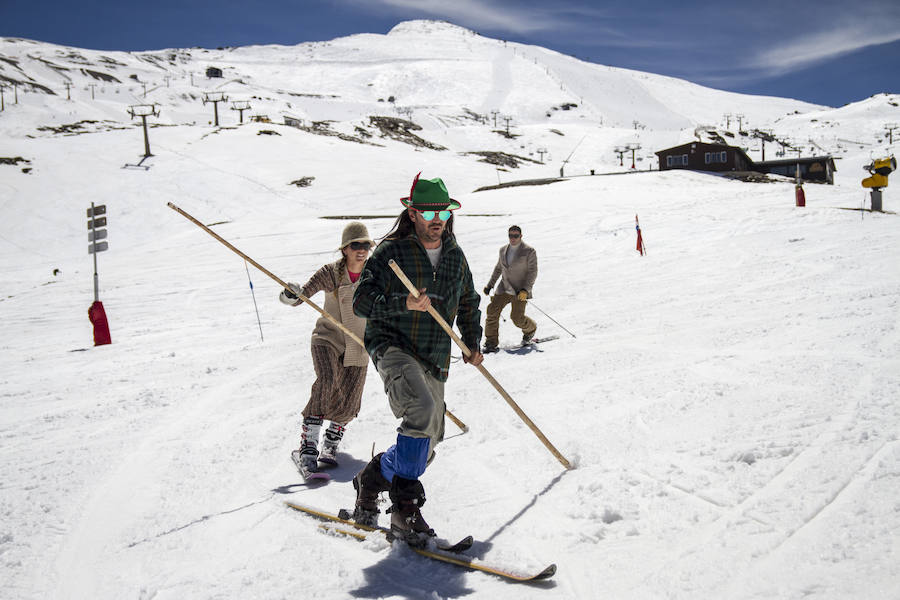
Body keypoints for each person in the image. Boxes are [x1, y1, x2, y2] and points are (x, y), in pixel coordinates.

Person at [351, 173, 483, 545]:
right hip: (392, 345)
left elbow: (470, 302)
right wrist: (402, 303)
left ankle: (373, 477)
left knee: (426, 444)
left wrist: (471, 342)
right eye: (427, 211)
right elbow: (362, 301)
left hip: (434, 355)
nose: (436, 218)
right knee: (421, 411)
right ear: (412, 213)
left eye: (442, 211)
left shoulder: (456, 257)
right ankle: (404, 510)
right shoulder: (391, 251)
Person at [279, 222, 374, 480]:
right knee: (328, 382)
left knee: (351, 397)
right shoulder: (331, 273)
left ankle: (331, 443)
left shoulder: (373, 275)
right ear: (345, 249)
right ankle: (308, 447)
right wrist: (292, 294)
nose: (362, 250)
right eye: (356, 245)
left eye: (366, 245)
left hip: (359, 343)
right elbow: (302, 296)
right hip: (328, 338)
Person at [481, 225, 538, 353]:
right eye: (510, 236)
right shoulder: (503, 250)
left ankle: (531, 329)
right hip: (504, 288)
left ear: (521, 236)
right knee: (492, 312)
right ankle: (491, 342)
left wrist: (526, 290)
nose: (513, 238)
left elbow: (532, 272)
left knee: (517, 318)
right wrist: (490, 285)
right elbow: (498, 269)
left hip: (520, 291)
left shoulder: (529, 251)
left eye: (515, 236)